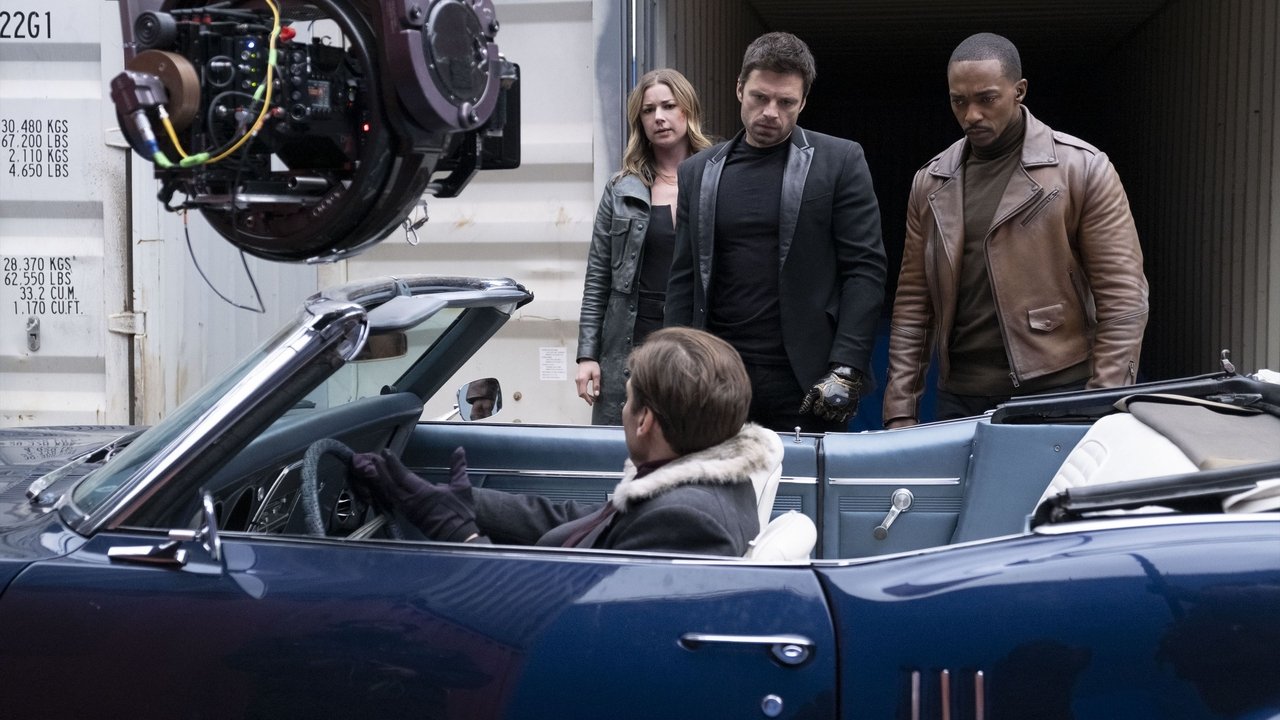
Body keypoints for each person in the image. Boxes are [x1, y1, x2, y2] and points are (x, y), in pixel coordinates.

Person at [882, 33, 1149, 427]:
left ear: (1019, 91)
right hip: (960, 396)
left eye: (986, 99)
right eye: (959, 101)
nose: (971, 115)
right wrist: (900, 411)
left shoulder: (1082, 168)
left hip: (1057, 389)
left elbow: (1123, 299)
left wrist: (1102, 404)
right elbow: (913, 304)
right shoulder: (932, 181)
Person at [352, 327, 782, 557]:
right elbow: (584, 523)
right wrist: (462, 502)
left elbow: (556, 619)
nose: (623, 411)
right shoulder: (699, 486)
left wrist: (460, 534)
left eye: (628, 400)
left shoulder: (685, 521)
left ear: (646, 420)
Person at [664, 32, 887, 434]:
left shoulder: (839, 161)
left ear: (803, 102)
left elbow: (865, 269)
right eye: (759, 97)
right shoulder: (697, 171)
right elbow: (684, 277)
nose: (771, 112)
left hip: (807, 382)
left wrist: (847, 367)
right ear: (739, 89)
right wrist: (671, 360)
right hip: (718, 379)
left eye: (786, 102)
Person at [575, 69, 714, 425]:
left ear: (688, 110)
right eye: (648, 110)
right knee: (624, 442)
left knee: (690, 440)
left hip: (695, 336)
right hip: (631, 339)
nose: (659, 118)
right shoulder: (621, 188)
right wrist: (587, 356)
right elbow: (597, 279)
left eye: (669, 106)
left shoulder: (717, 179)